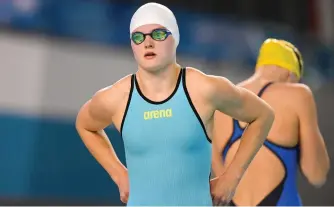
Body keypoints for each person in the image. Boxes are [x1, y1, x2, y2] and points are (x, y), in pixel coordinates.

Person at [75, 3, 274, 206]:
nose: (148, 43)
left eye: (158, 34)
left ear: (175, 38)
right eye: (138, 37)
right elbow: (85, 125)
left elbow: (263, 115)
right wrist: (118, 174)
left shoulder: (203, 88)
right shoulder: (117, 98)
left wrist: (231, 178)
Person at [212, 38, 330, 206]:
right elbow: (316, 174)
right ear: (290, 74)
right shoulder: (299, 94)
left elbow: (221, 187)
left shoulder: (221, 104)